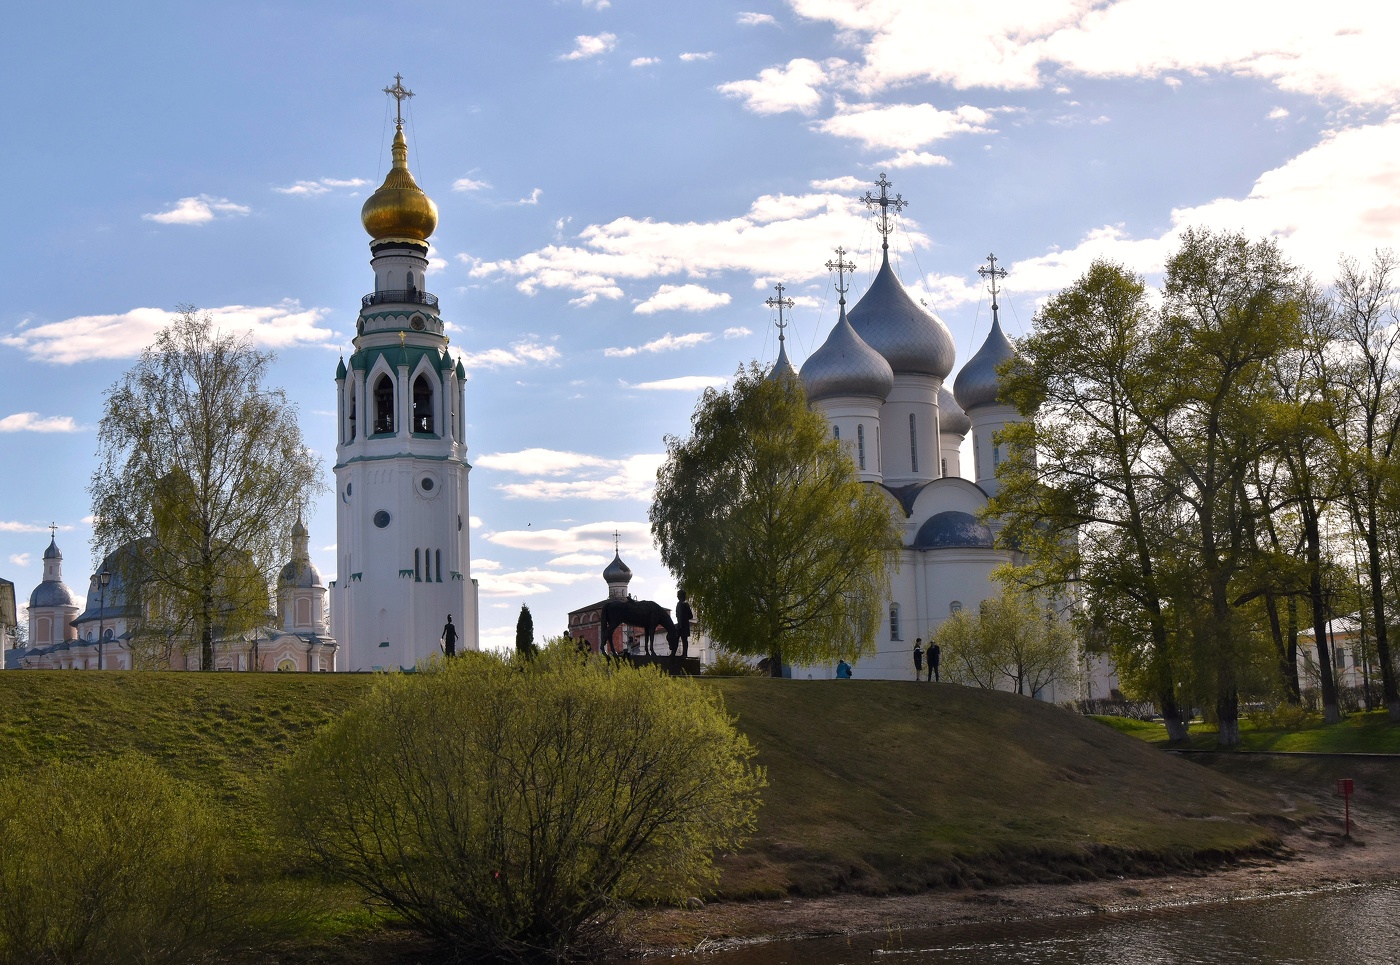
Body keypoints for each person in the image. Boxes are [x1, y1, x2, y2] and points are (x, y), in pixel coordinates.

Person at [675, 589, 694, 658]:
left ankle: (683, 653)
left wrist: (683, 619)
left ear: (681, 596)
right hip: (683, 625)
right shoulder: (684, 604)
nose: (677, 596)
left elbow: (689, 616)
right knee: (682, 639)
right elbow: (690, 616)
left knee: (680, 639)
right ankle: (683, 653)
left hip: (682, 625)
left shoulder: (682, 604)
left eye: (678, 595)